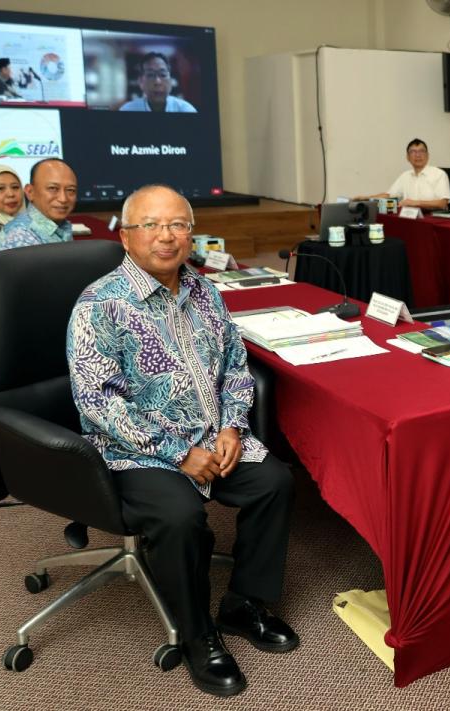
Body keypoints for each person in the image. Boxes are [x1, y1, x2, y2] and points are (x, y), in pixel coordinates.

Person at [67, 184, 297, 697]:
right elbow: (97, 402)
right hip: (136, 451)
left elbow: (236, 365)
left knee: (274, 483)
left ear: (191, 234)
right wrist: (177, 452)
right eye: (150, 225)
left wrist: (232, 425)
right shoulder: (100, 304)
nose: (166, 236)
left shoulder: (205, 291)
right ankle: (197, 635)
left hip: (213, 436)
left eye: (177, 225)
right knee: (180, 517)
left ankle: (243, 604)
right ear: (126, 237)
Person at [0, 159, 78, 251]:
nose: (63, 199)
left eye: (70, 190)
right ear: (30, 192)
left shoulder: (60, 225)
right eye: (53, 188)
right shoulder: (20, 237)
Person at [355, 138, 450, 210]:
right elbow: (389, 195)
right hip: (411, 218)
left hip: (433, 218)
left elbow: (442, 204)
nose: (418, 155)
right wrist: (367, 198)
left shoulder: (439, 174)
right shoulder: (405, 176)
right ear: (408, 157)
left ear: (428, 155)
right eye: (413, 152)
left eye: (421, 151)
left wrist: (415, 203)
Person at [119, 52, 197, 113]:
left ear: (170, 81)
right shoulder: (127, 109)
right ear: (141, 82)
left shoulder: (186, 109)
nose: (157, 82)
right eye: (150, 75)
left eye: (163, 75)